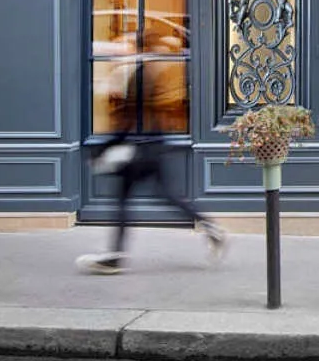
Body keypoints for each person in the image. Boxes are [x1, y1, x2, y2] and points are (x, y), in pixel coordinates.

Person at [78, 49, 227, 274]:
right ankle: (210, 227)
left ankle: (116, 256)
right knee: (164, 195)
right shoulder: (145, 72)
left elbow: (128, 119)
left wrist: (104, 149)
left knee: (126, 199)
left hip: (141, 151)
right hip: (151, 147)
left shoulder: (138, 76)